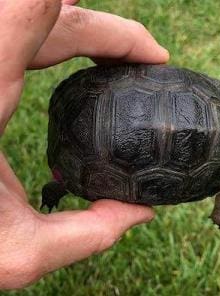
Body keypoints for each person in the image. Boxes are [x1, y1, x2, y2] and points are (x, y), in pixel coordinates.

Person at [0, 0, 169, 290]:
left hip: (92, 101)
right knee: (65, 180)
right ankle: (59, 184)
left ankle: (60, 184)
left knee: (68, 179)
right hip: (98, 128)